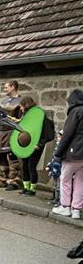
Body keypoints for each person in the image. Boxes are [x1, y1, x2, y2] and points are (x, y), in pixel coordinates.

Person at [51, 89, 83, 219]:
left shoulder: (75, 111)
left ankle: (65, 207)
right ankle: (76, 210)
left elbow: (67, 134)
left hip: (73, 153)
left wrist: (57, 154)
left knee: (65, 179)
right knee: (81, 181)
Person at [17, 96, 55, 197]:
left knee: (31, 166)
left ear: (26, 105)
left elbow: (46, 132)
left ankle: (32, 190)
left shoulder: (39, 115)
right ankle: (25, 188)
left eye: (21, 106)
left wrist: (40, 144)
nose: (20, 108)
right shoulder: (25, 114)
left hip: (36, 145)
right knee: (24, 166)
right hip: (26, 144)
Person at [0, 80, 23, 190]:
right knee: (1, 155)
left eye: (6, 87)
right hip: (1, 131)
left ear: (13, 87)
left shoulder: (21, 101)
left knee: (13, 156)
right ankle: (2, 179)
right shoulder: (2, 100)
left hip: (13, 131)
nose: (4, 89)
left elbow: (21, 119)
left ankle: (14, 180)